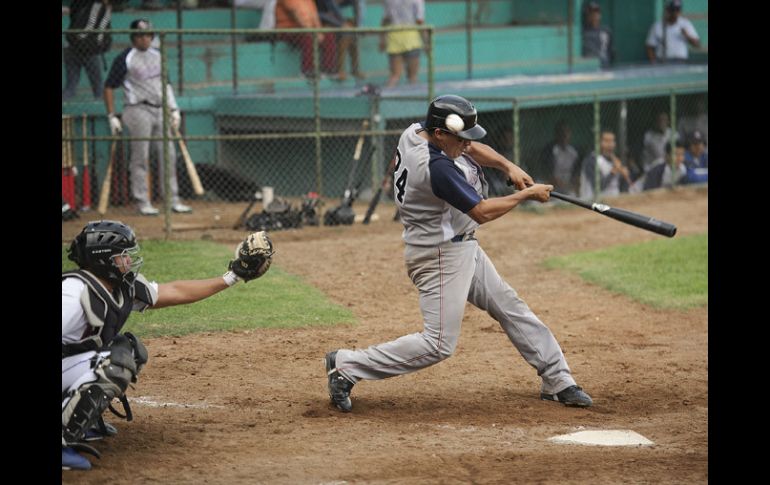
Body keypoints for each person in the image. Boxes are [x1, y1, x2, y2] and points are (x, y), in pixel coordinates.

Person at [324, 94, 593, 414]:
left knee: (509, 306)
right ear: (440, 135)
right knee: (438, 344)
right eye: (460, 139)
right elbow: (481, 211)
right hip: (439, 256)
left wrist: (507, 165)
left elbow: (472, 148)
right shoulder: (434, 168)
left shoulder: (416, 131)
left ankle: (557, 378)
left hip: (459, 246)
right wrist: (525, 195)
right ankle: (347, 365)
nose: (467, 145)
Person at [63, 220, 274, 470]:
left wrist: (232, 277)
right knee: (112, 365)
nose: (129, 260)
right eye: (122, 256)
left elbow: (174, 291)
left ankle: (78, 423)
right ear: (104, 259)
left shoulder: (120, 287)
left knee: (127, 350)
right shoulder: (73, 293)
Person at [103, 18, 193, 216]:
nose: (145, 39)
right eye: (140, 35)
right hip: (137, 109)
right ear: (133, 37)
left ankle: (172, 199)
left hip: (161, 109)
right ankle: (142, 201)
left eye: (148, 35)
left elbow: (165, 84)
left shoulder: (158, 55)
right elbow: (109, 86)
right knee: (140, 157)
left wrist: (174, 108)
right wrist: (111, 115)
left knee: (168, 153)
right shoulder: (125, 58)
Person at [63, 0, 113, 101]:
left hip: (72, 46)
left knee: (71, 84)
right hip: (88, 49)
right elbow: (97, 30)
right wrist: (100, 46)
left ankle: (64, 105)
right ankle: (100, 108)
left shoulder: (83, 5)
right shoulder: (99, 7)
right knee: (97, 86)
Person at [275, 0, 337, 78]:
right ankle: (308, 71)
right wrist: (312, 32)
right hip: (288, 29)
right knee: (307, 37)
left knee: (328, 34)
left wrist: (319, 32)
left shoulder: (309, 1)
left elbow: (315, 17)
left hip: (308, 30)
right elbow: (295, 15)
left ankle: (329, 69)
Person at [380, 0, 428, 88]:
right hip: (411, 37)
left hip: (394, 36)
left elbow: (385, 19)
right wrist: (426, 42)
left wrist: (382, 39)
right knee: (413, 77)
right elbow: (420, 21)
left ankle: (387, 96)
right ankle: (415, 98)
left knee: (395, 75)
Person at [579, 130, 633, 200]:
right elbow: (598, 187)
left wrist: (624, 176)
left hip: (614, 202)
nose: (610, 145)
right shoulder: (591, 161)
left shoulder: (615, 160)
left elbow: (622, 188)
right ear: (598, 143)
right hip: (592, 204)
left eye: (612, 141)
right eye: (606, 141)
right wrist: (613, 171)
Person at [645, 0, 700, 64]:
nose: (675, 13)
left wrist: (687, 36)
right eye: (673, 10)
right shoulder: (657, 26)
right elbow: (649, 46)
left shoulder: (685, 24)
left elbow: (697, 45)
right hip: (662, 61)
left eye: (678, 10)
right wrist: (653, 62)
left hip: (680, 60)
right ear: (667, 10)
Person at [538, 120, 580, 196]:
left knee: (573, 196)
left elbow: (576, 174)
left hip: (567, 186)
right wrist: (556, 182)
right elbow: (546, 173)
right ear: (556, 134)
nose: (564, 135)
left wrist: (572, 184)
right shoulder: (550, 150)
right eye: (561, 132)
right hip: (550, 185)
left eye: (567, 132)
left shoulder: (573, 152)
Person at [581, 1, 614, 69]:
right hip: (590, 68)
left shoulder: (606, 31)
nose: (594, 15)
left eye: (596, 12)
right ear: (587, 15)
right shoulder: (583, 33)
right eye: (591, 13)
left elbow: (610, 51)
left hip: (605, 68)